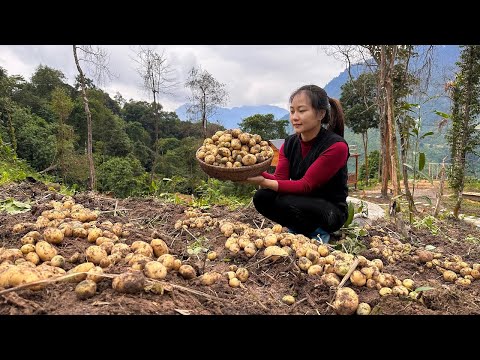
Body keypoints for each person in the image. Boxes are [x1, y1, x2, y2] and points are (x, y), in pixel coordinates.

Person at [244, 85, 349, 243]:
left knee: (284, 200)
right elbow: (280, 178)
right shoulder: (289, 143)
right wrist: (248, 171)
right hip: (301, 201)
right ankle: (300, 229)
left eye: (302, 110)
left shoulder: (336, 146)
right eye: (292, 111)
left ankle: (319, 233)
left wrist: (263, 181)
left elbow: (306, 185)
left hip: (330, 212)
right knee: (262, 197)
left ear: (320, 113)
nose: (295, 117)